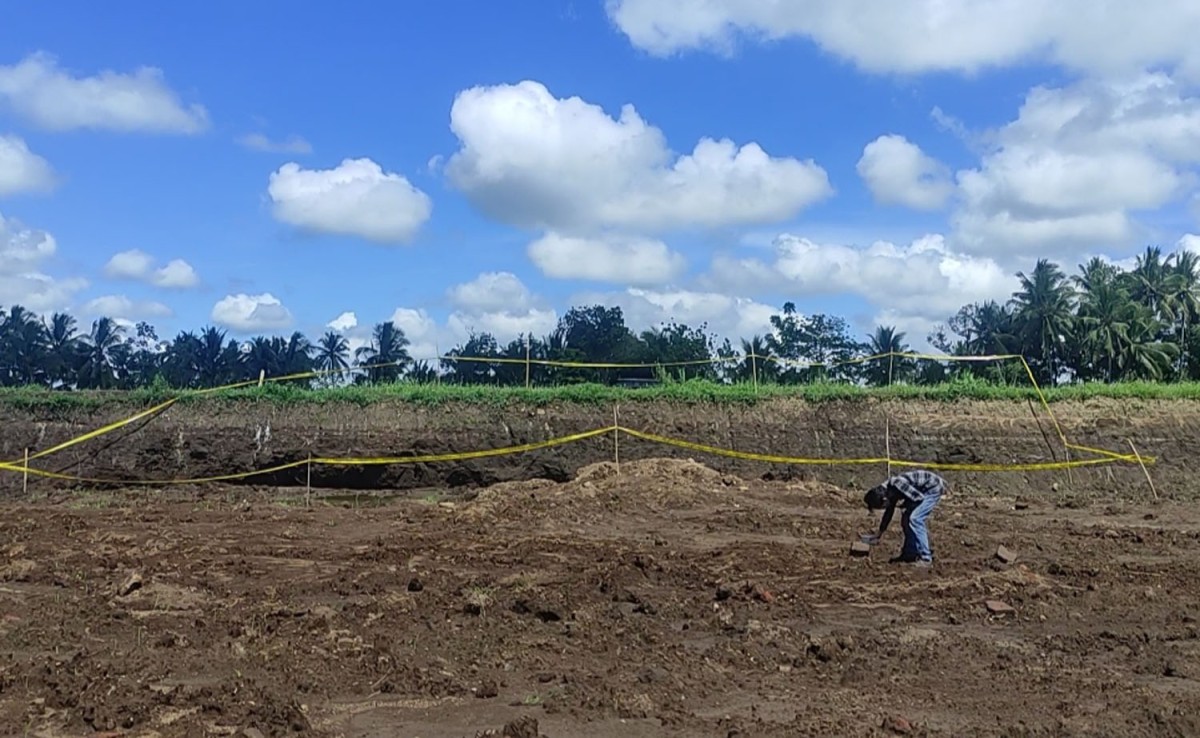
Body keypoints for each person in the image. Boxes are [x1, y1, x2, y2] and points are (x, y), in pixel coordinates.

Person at [859, 469, 947, 567]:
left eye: (882, 507)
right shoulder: (887, 492)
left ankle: (926, 558)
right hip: (921, 492)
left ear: (884, 500)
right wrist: (879, 533)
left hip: (932, 488)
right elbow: (889, 513)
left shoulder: (898, 484)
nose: (884, 508)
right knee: (906, 520)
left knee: (915, 519)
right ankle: (910, 553)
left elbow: (918, 498)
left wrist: (905, 505)